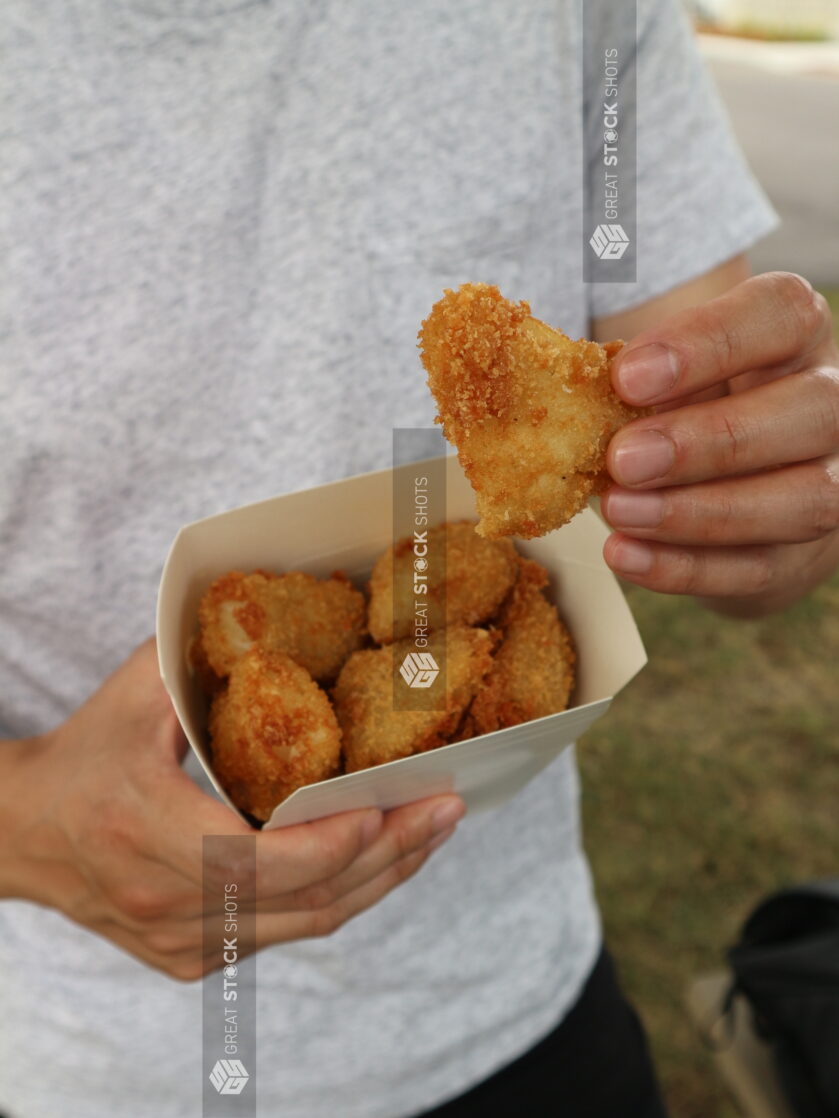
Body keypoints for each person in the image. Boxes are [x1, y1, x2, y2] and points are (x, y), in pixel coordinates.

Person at [1, 1, 837, 1116]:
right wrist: (23, 829)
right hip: (77, 1060)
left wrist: (771, 496)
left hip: (520, 1003)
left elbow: (720, 447)